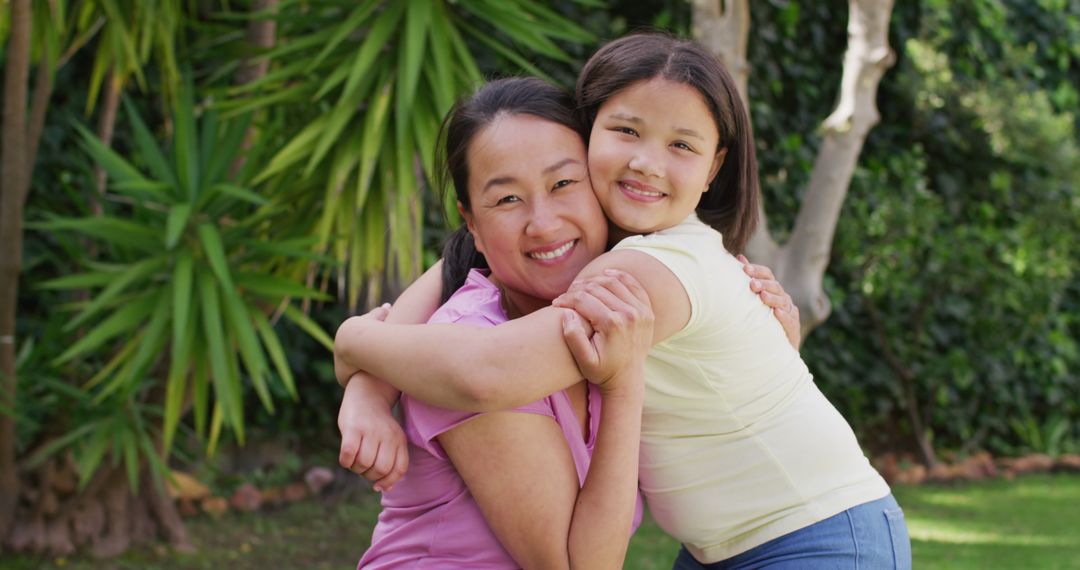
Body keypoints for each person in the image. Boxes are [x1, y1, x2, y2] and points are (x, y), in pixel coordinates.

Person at [338, 32, 911, 569]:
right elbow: (462, 261)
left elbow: (489, 368)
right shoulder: (598, 245)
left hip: (811, 534)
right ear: (590, 137)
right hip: (730, 546)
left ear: (715, 167)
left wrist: (356, 340)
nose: (646, 162)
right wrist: (367, 388)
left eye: (681, 145)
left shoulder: (648, 267)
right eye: (627, 132)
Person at [355, 77, 652, 569]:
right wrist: (625, 386)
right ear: (470, 221)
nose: (543, 223)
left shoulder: (600, 312)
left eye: (563, 184)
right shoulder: (472, 346)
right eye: (507, 200)